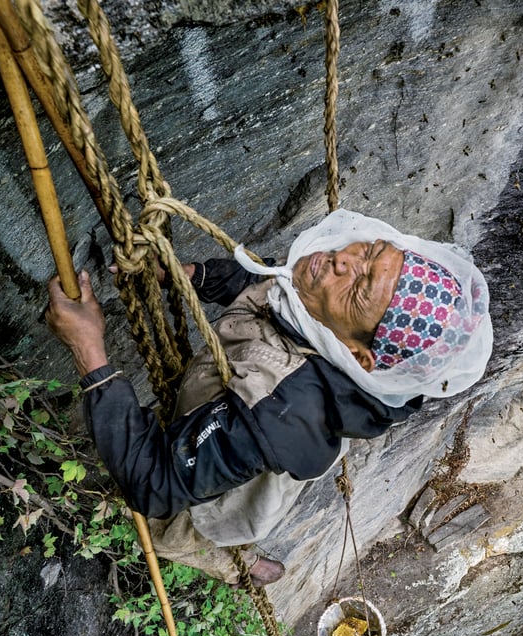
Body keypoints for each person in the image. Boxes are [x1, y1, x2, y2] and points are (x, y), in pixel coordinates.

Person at [46, 209, 492, 587]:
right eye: (371, 251)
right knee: (218, 482)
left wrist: (90, 352)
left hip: (238, 462)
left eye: (359, 287)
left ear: (357, 354)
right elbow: (267, 284)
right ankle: (245, 553)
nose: (342, 260)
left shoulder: (281, 413)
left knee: (178, 531)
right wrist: (190, 277)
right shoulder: (321, 301)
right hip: (237, 435)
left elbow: (154, 483)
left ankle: (241, 566)